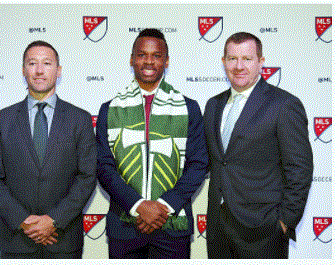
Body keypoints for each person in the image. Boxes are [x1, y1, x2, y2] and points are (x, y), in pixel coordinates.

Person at [96, 28, 208, 259]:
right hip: (124, 227)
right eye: (141, 54)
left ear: (166, 61)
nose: (148, 61)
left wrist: (164, 206)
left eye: (156, 55)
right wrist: (138, 206)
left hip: (172, 227)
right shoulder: (109, 110)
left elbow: (198, 165)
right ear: (131, 59)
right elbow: (103, 167)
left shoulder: (189, 108)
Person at [0, 40, 96, 259]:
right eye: (32, 63)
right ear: (24, 70)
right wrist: (25, 222)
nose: (40, 70)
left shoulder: (79, 119)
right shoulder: (1, 120)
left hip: (63, 240)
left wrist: (53, 221)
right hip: (17, 241)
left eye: (47, 63)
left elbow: (87, 176)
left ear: (58, 70)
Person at [203, 32, 313, 259]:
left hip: (263, 230)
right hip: (217, 228)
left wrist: (284, 221)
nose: (239, 66)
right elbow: (215, 162)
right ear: (223, 62)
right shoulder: (213, 105)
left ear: (261, 62)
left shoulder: (284, 104)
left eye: (247, 59)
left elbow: (299, 168)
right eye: (232, 58)